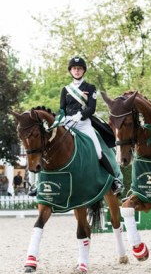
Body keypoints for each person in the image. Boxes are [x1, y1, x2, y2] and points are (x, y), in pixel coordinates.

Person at [32, 57, 123, 196]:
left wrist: (80, 115)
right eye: (74, 68)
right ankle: (38, 184)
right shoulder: (65, 90)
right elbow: (62, 108)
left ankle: (114, 180)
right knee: (49, 146)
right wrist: (61, 118)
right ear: (71, 71)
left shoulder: (90, 88)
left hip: (84, 123)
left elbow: (91, 108)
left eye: (79, 68)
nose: (77, 71)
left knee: (98, 150)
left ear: (83, 71)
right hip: (67, 122)